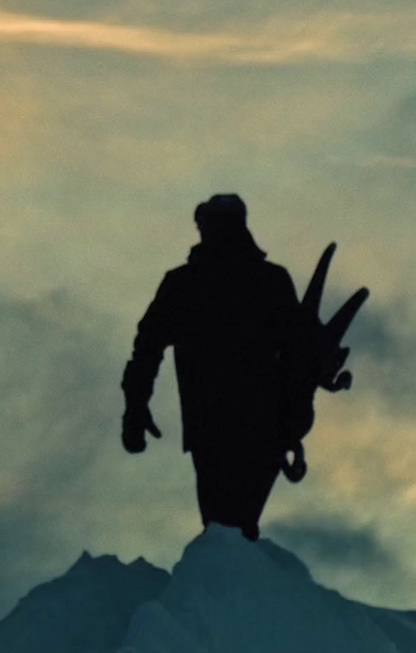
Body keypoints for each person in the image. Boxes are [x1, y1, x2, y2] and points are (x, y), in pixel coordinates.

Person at [121, 194, 301, 542]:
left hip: (222, 423)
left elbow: (146, 350)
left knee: (224, 528)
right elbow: (297, 354)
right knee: (234, 528)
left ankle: (230, 584)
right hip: (257, 423)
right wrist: (135, 408)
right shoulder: (269, 280)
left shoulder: (184, 284)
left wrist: (135, 408)